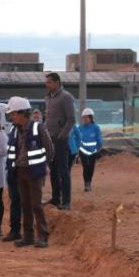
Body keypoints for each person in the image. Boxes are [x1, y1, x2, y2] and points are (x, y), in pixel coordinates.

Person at [5, 96, 54, 248]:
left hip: (34, 172)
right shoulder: (14, 131)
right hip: (20, 171)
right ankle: (28, 236)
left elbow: (50, 149)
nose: (11, 117)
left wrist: (43, 166)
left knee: (36, 205)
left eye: (12, 114)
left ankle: (43, 236)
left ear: (21, 113)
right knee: (25, 204)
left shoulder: (38, 128)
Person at [44, 72, 76, 210]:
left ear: (57, 82)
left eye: (49, 82)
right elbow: (48, 119)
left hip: (60, 140)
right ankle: (56, 199)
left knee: (63, 170)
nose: (47, 85)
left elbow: (71, 119)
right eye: (46, 82)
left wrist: (62, 135)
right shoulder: (49, 98)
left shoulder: (66, 97)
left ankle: (66, 201)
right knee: (53, 170)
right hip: (49, 139)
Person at [78, 108, 103, 192]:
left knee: (91, 167)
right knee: (85, 167)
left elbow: (99, 139)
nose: (84, 119)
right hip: (83, 151)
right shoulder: (80, 128)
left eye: (86, 117)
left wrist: (98, 148)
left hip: (93, 152)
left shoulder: (96, 128)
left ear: (91, 118)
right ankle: (86, 184)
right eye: (83, 117)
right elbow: (77, 139)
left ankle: (89, 181)